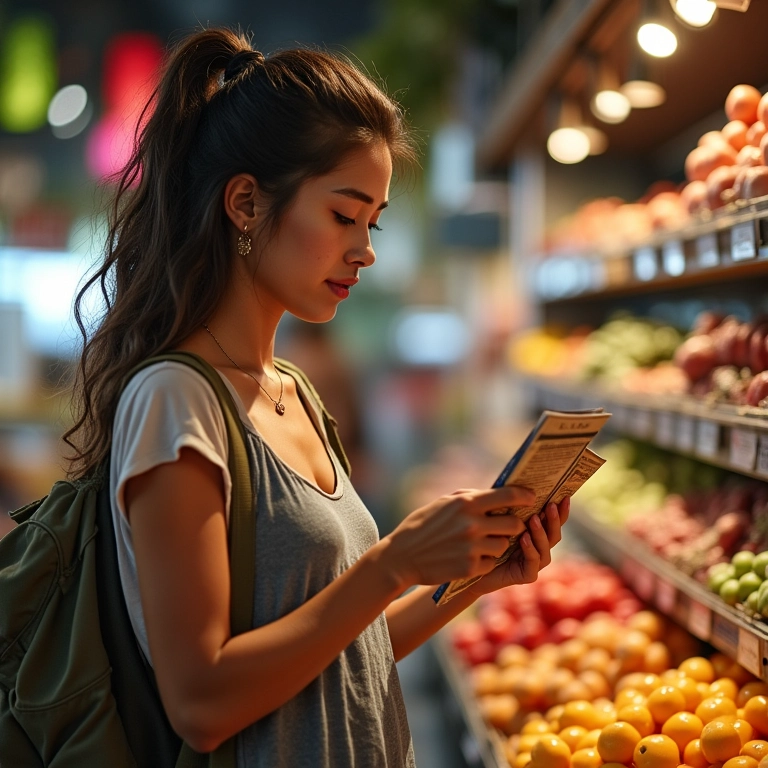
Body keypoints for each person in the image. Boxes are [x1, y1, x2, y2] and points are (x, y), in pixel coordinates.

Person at [64, 27, 570, 767]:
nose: (365, 248)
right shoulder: (175, 401)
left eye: (373, 222)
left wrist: (468, 580)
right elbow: (201, 704)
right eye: (344, 215)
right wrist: (393, 563)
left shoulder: (294, 392)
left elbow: (341, 661)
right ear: (244, 202)